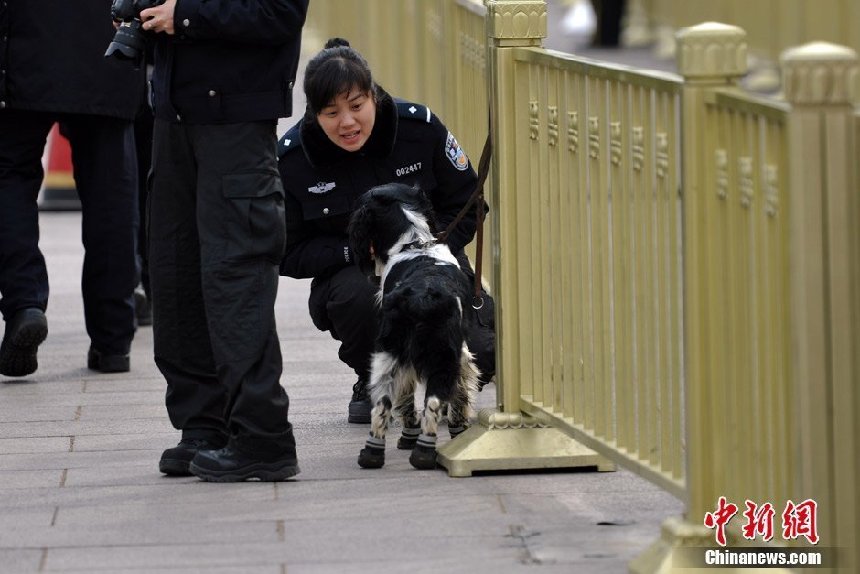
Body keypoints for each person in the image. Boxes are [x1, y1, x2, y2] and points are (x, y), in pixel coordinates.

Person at [277, 38, 496, 425]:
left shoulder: (419, 128)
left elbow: (470, 204)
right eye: (332, 113)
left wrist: (431, 246)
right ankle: (372, 377)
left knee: (482, 351)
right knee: (359, 299)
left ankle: (435, 379)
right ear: (313, 113)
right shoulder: (293, 159)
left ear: (373, 96)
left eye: (357, 106)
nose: (347, 122)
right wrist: (355, 252)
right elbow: (286, 251)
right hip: (356, 275)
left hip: (434, 261)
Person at [138, 0, 309, 482]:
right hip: (174, 118)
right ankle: (203, 425)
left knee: (236, 274)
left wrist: (186, 15)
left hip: (234, 123)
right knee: (176, 273)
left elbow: (278, 12)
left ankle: (263, 436)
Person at [0, 1, 144, 378]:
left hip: (23, 50)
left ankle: (24, 303)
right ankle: (113, 339)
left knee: (10, 178)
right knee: (112, 193)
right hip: (108, 48)